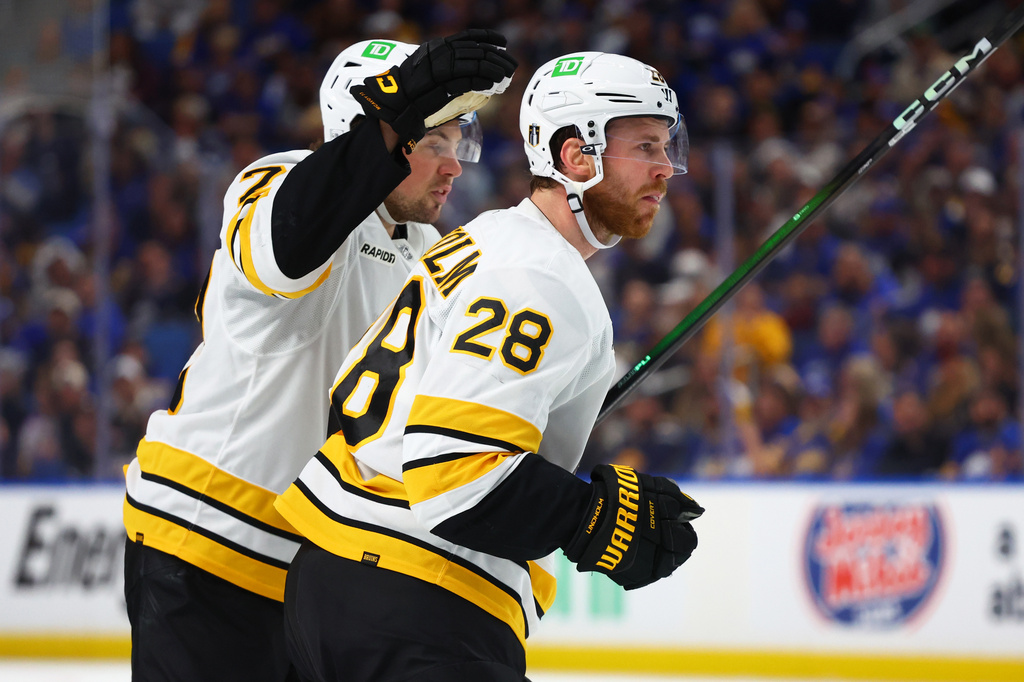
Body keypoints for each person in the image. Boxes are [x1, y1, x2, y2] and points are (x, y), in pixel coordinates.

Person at [275, 52, 704, 682]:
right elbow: (453, 472)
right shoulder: (535, 276)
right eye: (645, 145)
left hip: (351, 583)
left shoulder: (490, 239)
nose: (666, 167)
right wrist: (593, 517)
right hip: (415, 598)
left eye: (667, 146)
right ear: (575, 155)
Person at [121, 31, 517, 682]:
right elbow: (290, 240)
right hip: (205, 542)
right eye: (435, 142)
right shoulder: (276, 180)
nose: (455, 166)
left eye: (460, 144)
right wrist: (396, 118)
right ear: (371, 127)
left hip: (317, 569)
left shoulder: (427, 250)